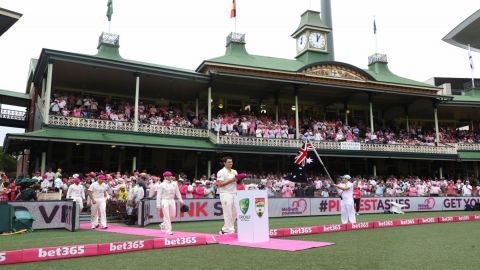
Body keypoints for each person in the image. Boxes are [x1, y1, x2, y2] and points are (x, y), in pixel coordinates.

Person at [216, 156, 246, 234]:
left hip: (234, 193)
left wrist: (240, 178)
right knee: (227, 212)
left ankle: (225, 229)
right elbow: (220, 184)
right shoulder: (221, 172)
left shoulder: (234, 171)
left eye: (231, 162)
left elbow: (237, 182)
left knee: (236, 212)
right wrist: (231, 180)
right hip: (225, 193)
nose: (231, 163)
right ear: (224, 163)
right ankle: (230, 230)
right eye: (229, 162)